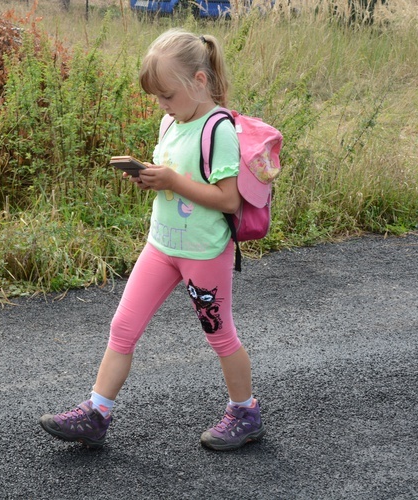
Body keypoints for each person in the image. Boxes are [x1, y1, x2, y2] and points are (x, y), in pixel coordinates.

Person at [39, 28, 266, 451]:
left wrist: (173, 182)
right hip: (161, 246)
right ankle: (96, 413)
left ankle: (245, 412)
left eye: (167, 95)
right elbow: (175, 178)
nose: (161, 105)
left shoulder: (218, 130)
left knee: (220, 336)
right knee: (122, 327)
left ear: (199, 82)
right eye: (157, 98)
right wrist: (154, 179)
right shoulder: (170, 121)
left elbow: (229, 200)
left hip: (203, 253)